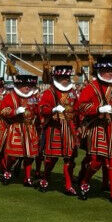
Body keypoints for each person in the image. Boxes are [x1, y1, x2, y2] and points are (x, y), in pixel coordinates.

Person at [76, 55, 112, 202]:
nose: (109, 73)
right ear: (99, 71)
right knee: (97, 161)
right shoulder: (91, 87)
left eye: (111, 70)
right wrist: (98, 109)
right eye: (106, 70)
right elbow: (81, 106)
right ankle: (85, 182)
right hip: (98, 127)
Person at [38, 65, 80, 196]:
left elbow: (77, 109)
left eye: (67, 77)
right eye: (63, 77)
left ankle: (68, 185)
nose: (66, 80)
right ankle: (45, 176)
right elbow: (41, 109)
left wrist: (79, 124)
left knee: (70, 158)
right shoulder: (49, 92)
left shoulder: (72, 92)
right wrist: (53, 109)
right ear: (56, 78)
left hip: (70, 127)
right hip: (55, 127)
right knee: (51, 158)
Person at [0, 75, 41, 186]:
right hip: (16, 128)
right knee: (13, 156)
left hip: (30, 129)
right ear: (18, 85)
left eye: (29, 85)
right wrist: (14, 111)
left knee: (30, 156)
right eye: (24, 85)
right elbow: (3, 111)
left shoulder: (33, 97)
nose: (27, 87)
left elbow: (38, 110)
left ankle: (27, 177)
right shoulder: (10, 96)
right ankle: (7, 171)